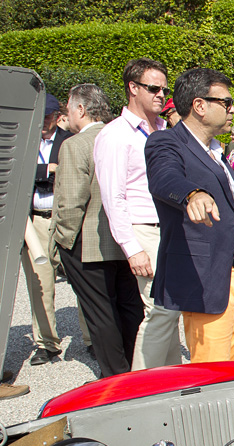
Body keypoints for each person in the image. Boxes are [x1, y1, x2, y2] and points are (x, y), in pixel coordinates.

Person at [145, 68, 234, 363]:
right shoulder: (167, 142)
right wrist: (191, 194)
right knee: (212, 376)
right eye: (226, 102)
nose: (232, 109)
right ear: (199, 105)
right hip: (207, 276)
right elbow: (163, 178)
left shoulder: (217, 149)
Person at [94, 57, 182, 370]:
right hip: (144, 228)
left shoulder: (164, 129)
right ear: (133, 88)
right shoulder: (115, 135)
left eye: (164, 89)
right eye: (154, 88)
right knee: (160, 309)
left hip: (170, 228)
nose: (161, 95)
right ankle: (139, 386)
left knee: (171, 307)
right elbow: (113, 197)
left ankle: (168, 379)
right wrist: (132, 248)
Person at [52, 84, 143, 378]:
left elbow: (71, 201)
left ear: (80, 109)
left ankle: (115, 376)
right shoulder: (123, 135)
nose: (67, 113)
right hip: (127, 238)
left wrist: (62, 241)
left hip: (88, 242)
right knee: (129, 307)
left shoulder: (76, 144)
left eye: (68, 106)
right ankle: (136, 366)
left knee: (100, 311)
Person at [23, 92, 71, 366]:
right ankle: (47, 343)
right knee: (40, 282)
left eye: (47, 117)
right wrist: (46, 170)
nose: (42, 122)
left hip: (64, 215)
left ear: (57, 117)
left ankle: (89, 339)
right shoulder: (23, 142)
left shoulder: (68, 141)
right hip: (37, 220)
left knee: (80, 280)